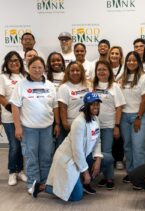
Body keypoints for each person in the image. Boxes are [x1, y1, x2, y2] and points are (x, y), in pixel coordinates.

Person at [31, 92, 113, 201]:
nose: (96, 107)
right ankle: (41, 186)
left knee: (107, 158)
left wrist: (98, 159)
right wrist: (86, 173)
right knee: (76, 196)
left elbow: (97, 141)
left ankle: (82, 182)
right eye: (93, 104)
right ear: (86, 106)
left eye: (97, 104)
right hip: (68, 160)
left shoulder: (95, 119)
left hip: (81, 157)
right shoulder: (79, 122)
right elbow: (77, 151)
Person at [10, 56, 60, 194]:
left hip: (47, 128)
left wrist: (57, 123)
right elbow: (15, 106)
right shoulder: (21, 85)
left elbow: (55, 106)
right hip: (29, 129)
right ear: (28, 68)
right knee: (31, 157)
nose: (37, 70)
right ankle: (33, 183)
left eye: (40, 67)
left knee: (46, 157)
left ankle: (44, 182)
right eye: (34, 67)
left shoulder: (50, 85)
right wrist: (18, 127)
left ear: (44, 68)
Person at [120, 51, 145, 182]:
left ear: (139, 62)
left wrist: (138, 117)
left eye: (134, 60)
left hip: (139, 116)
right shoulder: (122, 77)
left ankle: (140, 176)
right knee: (127, 146)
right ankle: (131, 172)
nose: (131, 63)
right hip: (124, 116)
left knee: (138, 147)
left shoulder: (144, 78)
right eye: (128, 60)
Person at [93, 60, 125, 189]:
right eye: (99, 69)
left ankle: (110, 177)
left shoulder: (114, 86)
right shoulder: (92, 86)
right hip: (93, 125)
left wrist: (117, 126)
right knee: (96, 152)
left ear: (109, 72)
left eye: (104, 69)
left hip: (109, 125)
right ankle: (103, 176)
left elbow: (119, 107)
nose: (101, 72)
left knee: (106, 152)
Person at [0, 51, 27, 186]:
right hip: (9, 118)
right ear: (6, 63)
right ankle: (12, 172)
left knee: (21, 145)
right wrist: (12, 109)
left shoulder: (24, 76)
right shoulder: (3, 77)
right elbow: (1, 97)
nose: (14, 63)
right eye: (10, 61)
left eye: (16, 60)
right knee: (14, 146)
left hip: (24, 117)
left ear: (20, 62)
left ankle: (20, 170)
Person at [57, 61, 90, 145]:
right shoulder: (64, 87)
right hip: (71, 123)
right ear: (68, 72)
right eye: (72, 70)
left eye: (77, 70)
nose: (75, 72)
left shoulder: (88, 85)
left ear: (82, 72)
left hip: (86, 122)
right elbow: (62, 108)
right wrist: (65, 123)